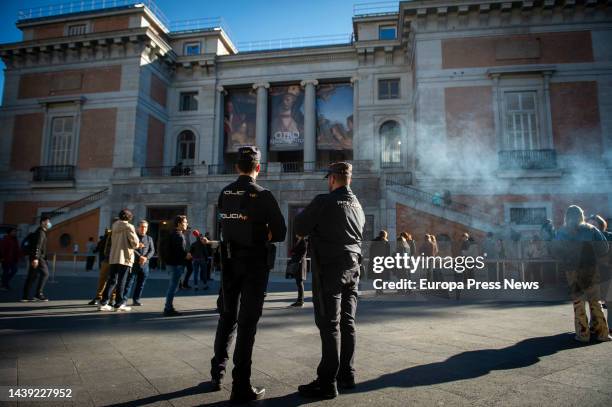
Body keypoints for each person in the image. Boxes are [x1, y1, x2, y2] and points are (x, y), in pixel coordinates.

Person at [210, 146, 286, 403]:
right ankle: (240, 384)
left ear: (237, 167)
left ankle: (216, 372)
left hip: (229, 261)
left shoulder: (224, 192)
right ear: (258, 168)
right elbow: (281, 232)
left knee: (227, 316)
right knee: (247, 323)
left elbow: (224, 224)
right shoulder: (262, 194)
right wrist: (263, 232)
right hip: (254, 263)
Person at [294, 162, 365, 399]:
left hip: (330, 269)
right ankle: (347, 374)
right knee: (348, 322)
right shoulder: (357, 204)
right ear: (349, 180)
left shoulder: (324, 201)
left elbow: (299, 227)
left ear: (332, 179)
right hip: (353, 267)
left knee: (329, 324)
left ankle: (327, 382)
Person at [553, 205, 610, 342]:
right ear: (581, 216)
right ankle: (602, 334)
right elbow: (604, 248)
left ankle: (583, 335)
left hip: (572, 271)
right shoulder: (591, 229)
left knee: (579, 303)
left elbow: (556, 251)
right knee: (595, 302)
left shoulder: (562, 232)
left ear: (567, 216)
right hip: (591, 269)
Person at [99, 209, 142, 312]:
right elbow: (135, 243)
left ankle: (103, 302)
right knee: (122, 281)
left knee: (112, 280)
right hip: (125, 257)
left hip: (114, 257)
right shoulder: (129, 227)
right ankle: (118, 304)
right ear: (129, 217)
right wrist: (138, 244)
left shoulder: (114, 225)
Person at [163, 215, 192, 316]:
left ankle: (168, 306)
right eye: (185, 222)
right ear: (179, 224)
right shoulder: (178, 235)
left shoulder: (172, 233)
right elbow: (179, 251)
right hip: (176, 264)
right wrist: (187, 255)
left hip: (172, 264)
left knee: (174, 286)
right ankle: (168, 308)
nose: (187, 224)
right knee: (173, 287)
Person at [124, 220, 155, 306]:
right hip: (134, 264)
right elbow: (131, 248)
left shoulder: (149, 238)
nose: (143, 229)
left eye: (145, 227)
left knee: (141, 284)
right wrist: (140, 256)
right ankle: (124, 300)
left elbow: (152, 250)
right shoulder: (133, 237)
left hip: (145, 265)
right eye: (141, 227)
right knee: (129, 283)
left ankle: (136, 300)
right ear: (137, 228)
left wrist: (146, 257)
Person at [21, 216, 52, 302]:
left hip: (35, 257)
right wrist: (36, 258)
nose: (49, 223)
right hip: (38, 257)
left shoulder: (40, 232)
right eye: (47, 221)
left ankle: (25, 296)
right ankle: (38, 294)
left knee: (32, 276)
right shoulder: (40, 232)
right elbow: (37, 246)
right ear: (42, 222)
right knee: (45, 274)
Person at [289, 235, 308, 307]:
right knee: (298, 282)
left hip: (300, 264)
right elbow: (292, 251)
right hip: (297, 263)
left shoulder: (303, 242)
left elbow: (303, 252)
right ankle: (299, 300)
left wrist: (297, 256)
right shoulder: (298, 241)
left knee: (300, 282)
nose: (296, 234)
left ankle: (300, 301)